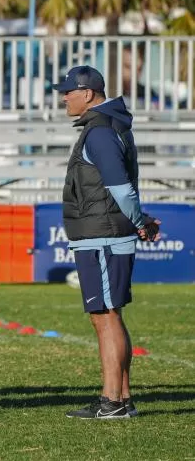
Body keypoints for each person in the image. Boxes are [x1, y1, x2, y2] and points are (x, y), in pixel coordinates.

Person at [53, 66, 161, 419]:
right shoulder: (106, 127)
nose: (64, 97)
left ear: (87, 93)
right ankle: (120, 398)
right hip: (103, 233)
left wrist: (139, 219)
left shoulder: (99, 132)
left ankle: (113, 401)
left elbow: (119, 186)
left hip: (103, 235)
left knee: (105, 316)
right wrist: (138, 220)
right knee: (107, 314)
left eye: (68, 91)